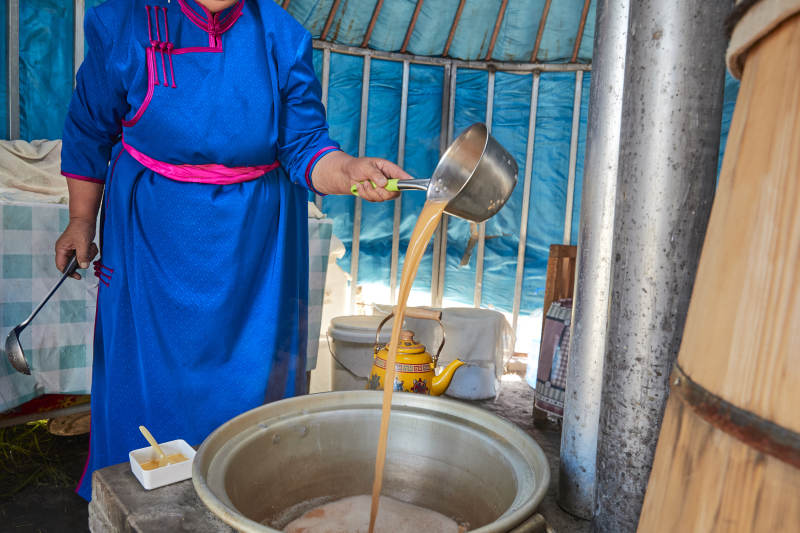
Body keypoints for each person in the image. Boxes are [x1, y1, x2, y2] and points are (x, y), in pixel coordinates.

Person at [54, 0, 408, 501]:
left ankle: (246, 499)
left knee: (250, 385)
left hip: (255, 250)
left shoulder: (282, 37)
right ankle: (135, 504)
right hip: (152, 232)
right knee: (148, 378)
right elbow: (90, 125)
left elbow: (305, 145)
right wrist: (81, 221)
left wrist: (348, 171)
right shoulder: (124, 19)